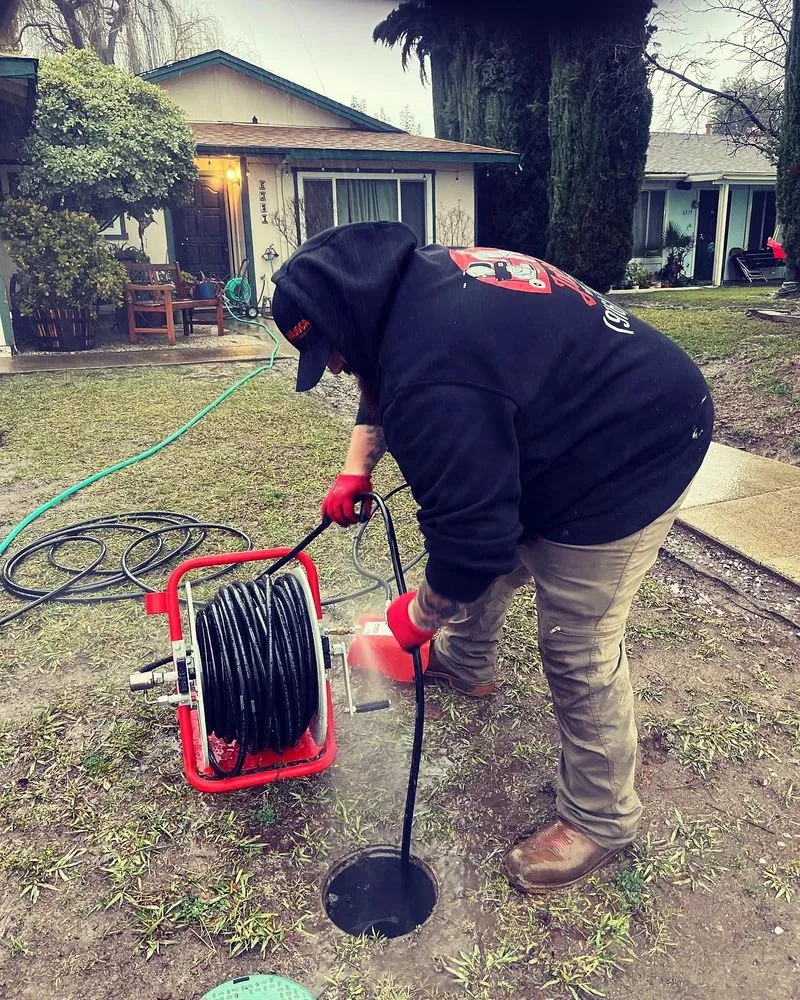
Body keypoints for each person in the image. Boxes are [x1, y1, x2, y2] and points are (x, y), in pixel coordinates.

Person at [270, 222, 713, 894]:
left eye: (331, 349)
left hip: (641, 441)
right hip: (572, 413)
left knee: (575, 638)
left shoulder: (435, 373)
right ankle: (468, 660)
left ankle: (601, 818)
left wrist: (419, 615)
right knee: (501, 538)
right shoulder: (404, 291)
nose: (333, 365)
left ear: (349, 317)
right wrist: (356, 467)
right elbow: (379, 369)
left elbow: (470, 539)